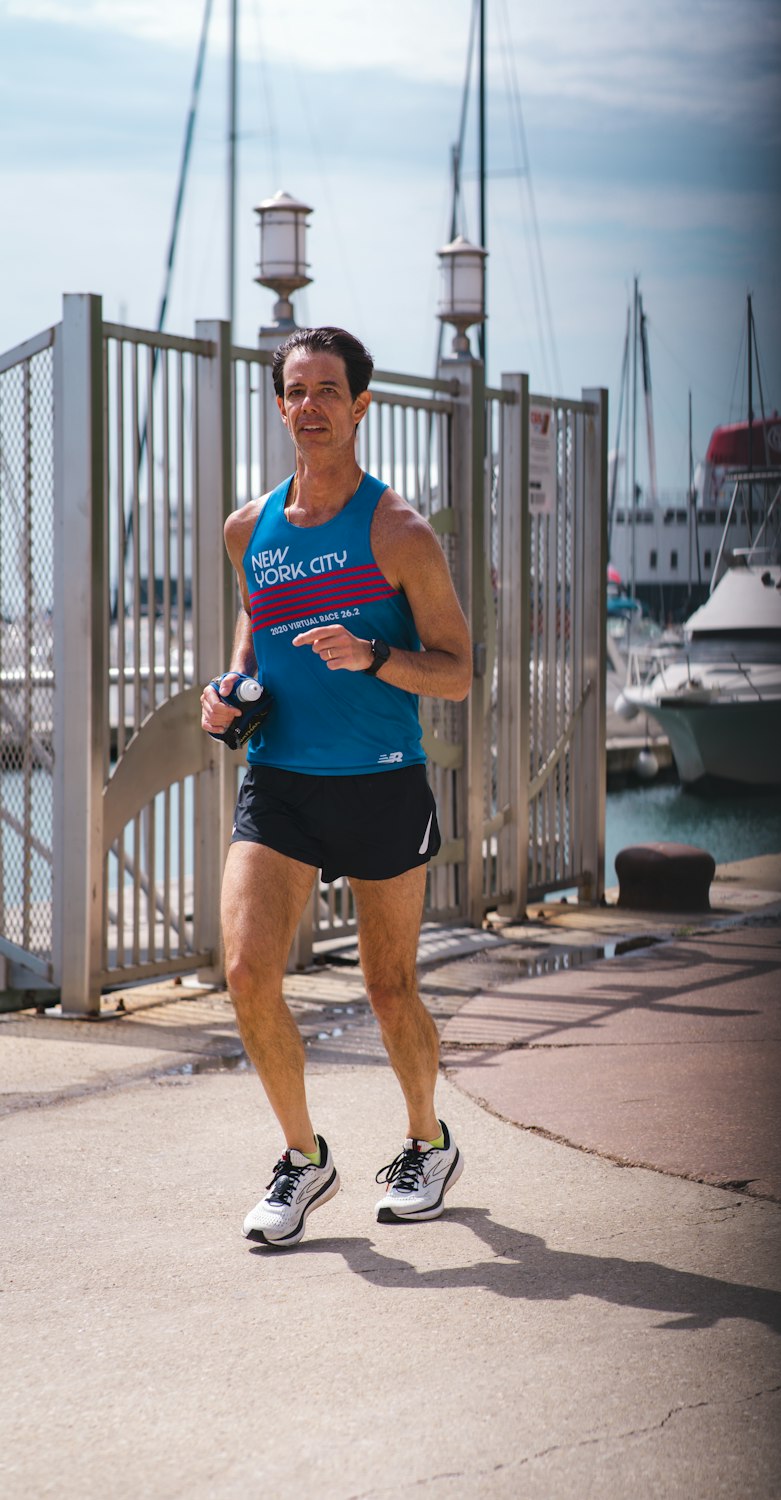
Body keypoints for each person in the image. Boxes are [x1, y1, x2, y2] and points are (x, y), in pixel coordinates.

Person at [199, 326, 472, 1246]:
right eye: (294, 391)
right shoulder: (249, 529)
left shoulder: (400, 532)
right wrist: (233, 694)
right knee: (245, 971)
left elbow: (459, 672)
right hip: (279, 781)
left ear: (361, 406)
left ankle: (427, 1142)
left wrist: (374, 656)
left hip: (382, 783)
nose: (308, 405)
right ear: (279, 407)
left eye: (327, 391)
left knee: (389, 987)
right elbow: (258, 635)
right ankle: (304, 1158)